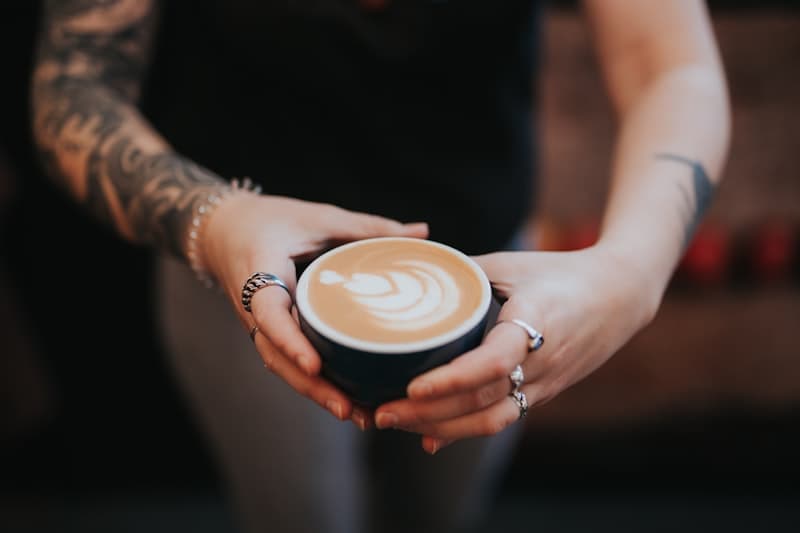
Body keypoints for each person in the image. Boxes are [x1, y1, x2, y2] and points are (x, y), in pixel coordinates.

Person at [30, 1, 731, 532]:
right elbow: (75, 83)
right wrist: (213, 221)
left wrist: (633, 271)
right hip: (236, 261)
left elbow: (669, 63)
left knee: (439, 515)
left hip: (488, 282)